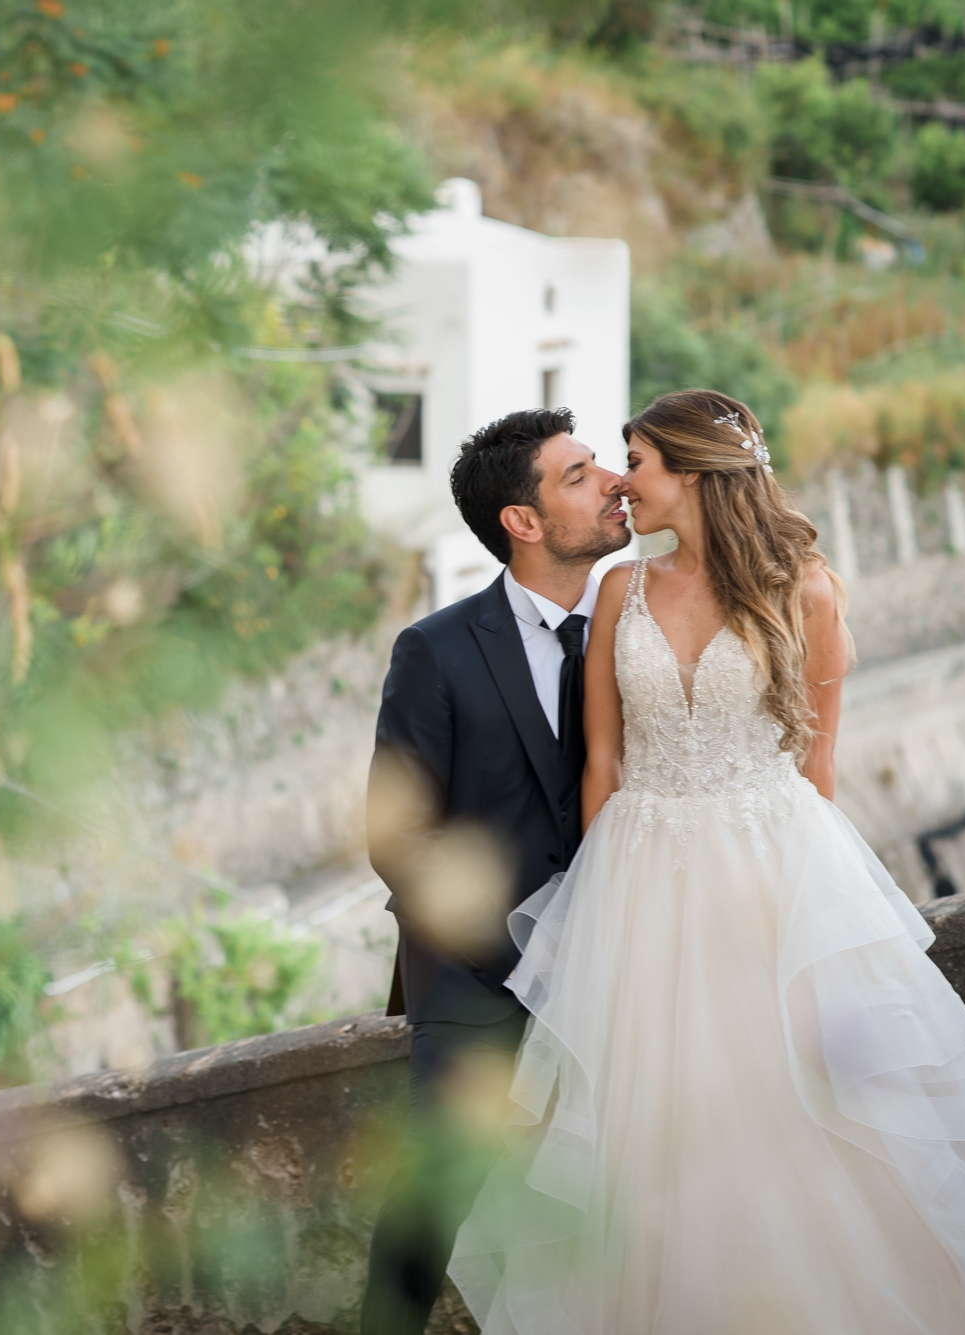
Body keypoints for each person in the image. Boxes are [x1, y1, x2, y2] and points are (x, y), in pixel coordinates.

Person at [445, 389, 965, 1334]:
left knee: (821, 1122)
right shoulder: (624, 590)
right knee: (658, 1146)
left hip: (769, 877)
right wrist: (598, 920)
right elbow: (602, 765)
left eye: (637, 462)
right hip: (639, 884)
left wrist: (791, 921)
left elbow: (817, 771)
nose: (623, 485)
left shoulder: (804, 589)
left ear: (689, 473)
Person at [359, 407, 630, 1335]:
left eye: (603, 467)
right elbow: (398, 837)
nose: (612, 485)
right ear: (523, 520)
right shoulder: (434, 648)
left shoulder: (637, 629)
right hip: (475, 975)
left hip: (623, 961)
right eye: (580, 475)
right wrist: (518, 951)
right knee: (433, 1199)